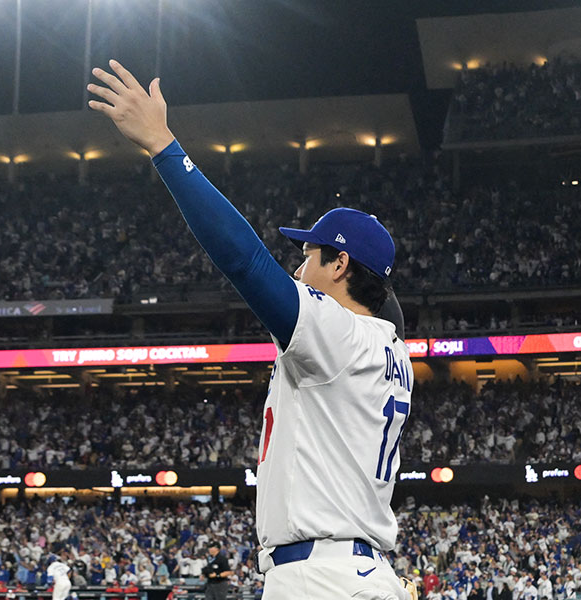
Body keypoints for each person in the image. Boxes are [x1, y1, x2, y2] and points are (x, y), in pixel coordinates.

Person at [88, 60, 416, 600]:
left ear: (340, 264)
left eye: (308, 255)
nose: (297, 270)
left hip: (321, 578)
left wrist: (164, 147)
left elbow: (245, 262)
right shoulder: (389, 348)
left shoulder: (339, 333)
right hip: (359, 571)